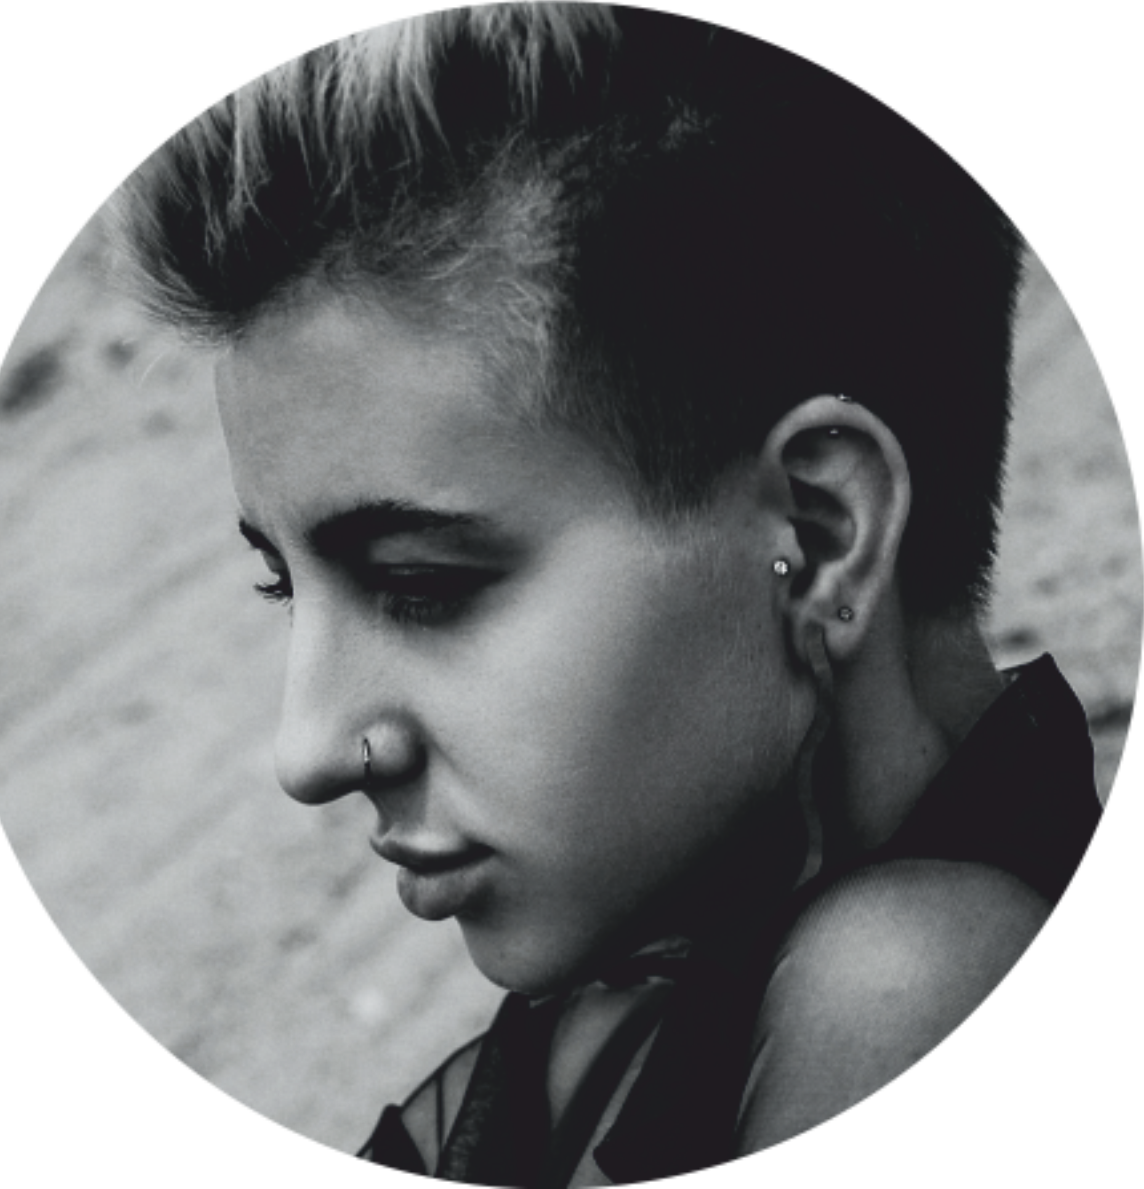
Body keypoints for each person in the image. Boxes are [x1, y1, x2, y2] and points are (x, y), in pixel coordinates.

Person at [121, 3, 1104, 1183]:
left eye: (419, 586)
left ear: (820, 538)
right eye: (284, 584)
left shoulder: (912, 991)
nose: (311, 749)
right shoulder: (637, 1002)